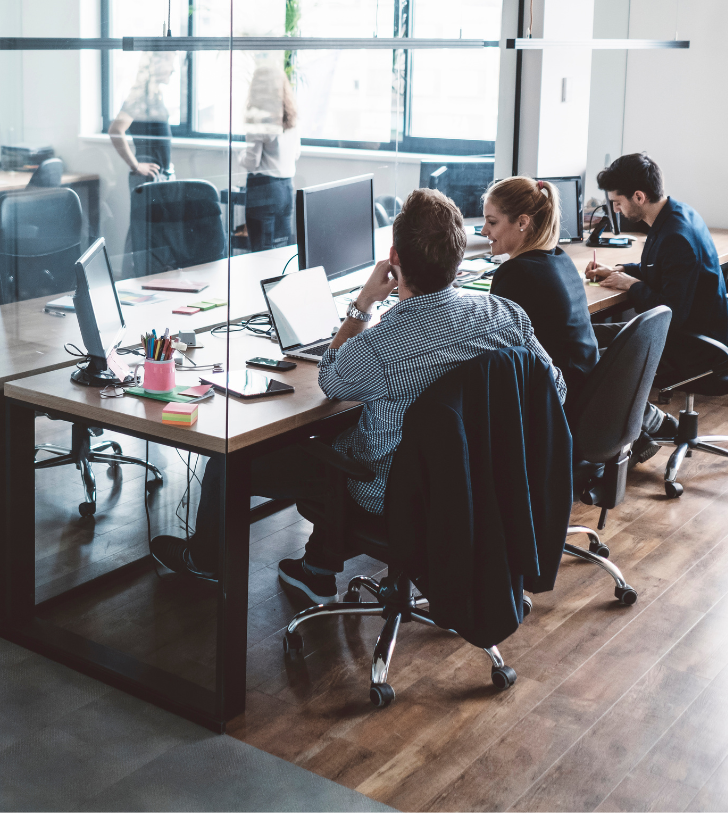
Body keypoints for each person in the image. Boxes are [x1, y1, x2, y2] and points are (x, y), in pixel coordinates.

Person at [149, 188, 566, 606]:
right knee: (358, 428)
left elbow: (331, 379)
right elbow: (556, 391)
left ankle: (205, 560)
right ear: (458, 261)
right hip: (483, 482)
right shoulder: (506, 315)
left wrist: (363, 303)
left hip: (392, 491)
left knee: (228, 462)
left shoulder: (381, 346)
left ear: (394, 259)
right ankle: (316, 570)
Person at [585, 152, 728, 461]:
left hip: (692, 345)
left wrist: (631, 286)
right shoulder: (675, 214)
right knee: (587, 335)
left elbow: (672, 314)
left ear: (639, 196)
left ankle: (636, 432)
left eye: (618, 202)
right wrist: (623, 271)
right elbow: (662, 267)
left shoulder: (676, 235)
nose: (616, 209)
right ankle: (640, 429)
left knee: (594, 356)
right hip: (691, 331)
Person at [482, 177, 598, 408]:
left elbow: (493, 348)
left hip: (558, 400)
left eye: (492, 222)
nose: (485, 231)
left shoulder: (516, 273)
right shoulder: (559, 257)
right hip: (588, 389)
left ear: (522, 222)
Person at [108, 53, 174, 274]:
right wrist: (136, 165)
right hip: (147, 177)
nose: (173, 68)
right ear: (156, 64)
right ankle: (128, 280)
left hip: (160, 175)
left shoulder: (156, 96)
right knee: (139, 233)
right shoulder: (140, 97)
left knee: (149, 233)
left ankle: (141, 280)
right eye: (169, 61)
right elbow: (116, 130)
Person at [239, 65, 300, 251]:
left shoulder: (260, 118)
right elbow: (296, 154)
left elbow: (252, 161)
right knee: (282, 249)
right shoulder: (291, 118)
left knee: (261, 253)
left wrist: (240, 156)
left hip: (264, 189)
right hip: (287, 188)